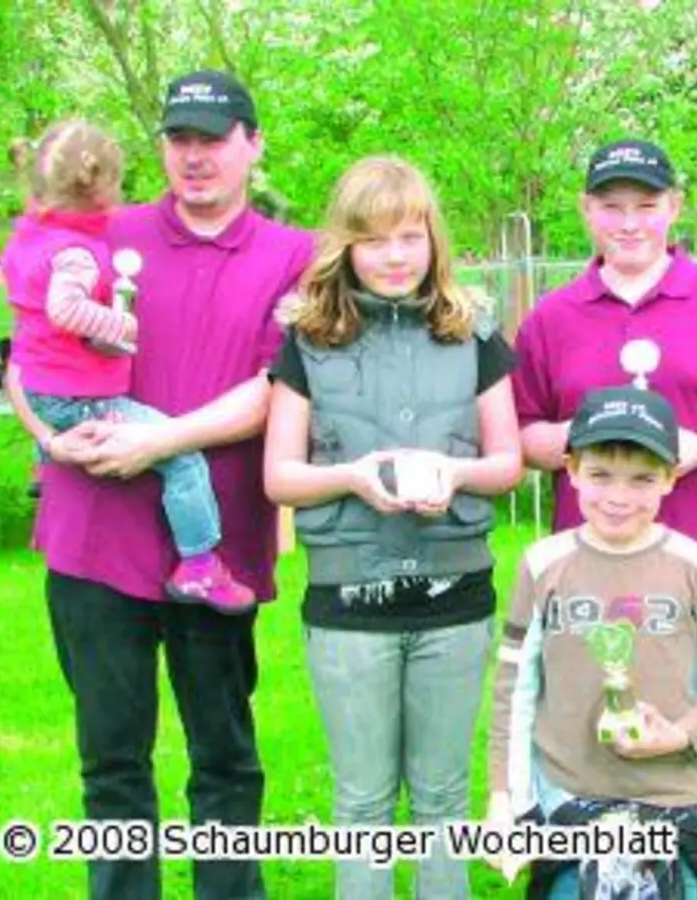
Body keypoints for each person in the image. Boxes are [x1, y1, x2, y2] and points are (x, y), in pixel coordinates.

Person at [12, 69, 315, 899]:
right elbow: (25, 351)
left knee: (223, 756)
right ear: (160, 149)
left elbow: (280, 389)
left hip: (213, 545)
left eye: (214, 139)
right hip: (93, 534)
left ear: (252, 144)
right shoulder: (100, 229)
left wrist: (162, 442)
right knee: (111, 761)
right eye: (179, 139)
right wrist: (48, 434)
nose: (195, 156)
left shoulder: (295, 256)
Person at [510, 138, 697, 899]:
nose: (629, 221)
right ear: (586, 210)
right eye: (612, 204)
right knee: (585, 778)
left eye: (647, 204)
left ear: (675, 208)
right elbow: (521, 432)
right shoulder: (552, 318)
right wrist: (589, 445)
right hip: (590, 593)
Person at [262, 155, 523, 898]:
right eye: (374, 239)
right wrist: (351, 478)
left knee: (443, 801)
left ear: (433, 239)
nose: (395, 255)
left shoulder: (475, 334)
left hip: (455, 603)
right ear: (344, 246)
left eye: (410, 235)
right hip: (350, 612)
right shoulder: (307, 340)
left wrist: (456, 475)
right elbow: (280, 476)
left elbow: (507, 460)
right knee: (364, 805)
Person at [486, 386, 697, 900]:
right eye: (600, 475)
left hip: (670, 799)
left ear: (671, 476)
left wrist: (683, 735)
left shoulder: (696, 567)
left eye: (642, 478)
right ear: (570, 470)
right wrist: (506, 798)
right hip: (567, 798)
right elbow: (514, 687)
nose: (618, 496)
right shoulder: (542, 565)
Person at [0, 117, 255, 612]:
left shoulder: (27, 240)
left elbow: (31, 322)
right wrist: (121, 325)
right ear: (105, 189)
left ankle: (43, 460)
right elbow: (65, 310)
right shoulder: (77, 253)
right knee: (184, 461)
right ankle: (201, 565)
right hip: (80, 396)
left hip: (44, 387)